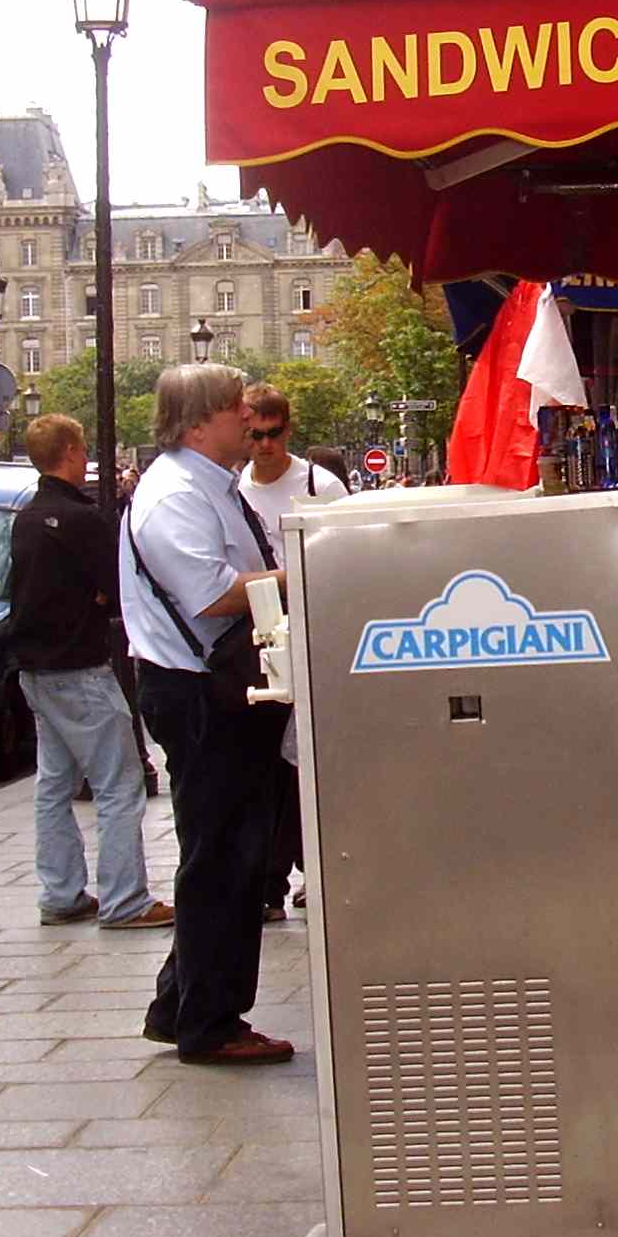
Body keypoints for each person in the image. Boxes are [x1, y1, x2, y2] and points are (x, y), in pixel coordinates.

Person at [119, 364, 295, 1065]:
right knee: (223, 859)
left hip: (218, 689)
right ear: (196, 424)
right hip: (199, 694)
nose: (247, 417)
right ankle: (211, 1024)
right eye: (233, 407)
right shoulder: (174, 495)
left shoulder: (208, 485)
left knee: (229, 851)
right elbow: (212, 594)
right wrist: (307, 568)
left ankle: (179, 1005)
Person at [7, 414, 171, 931]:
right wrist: (99, 599)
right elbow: (118, 586)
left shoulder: (27, 517)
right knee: (119, 784)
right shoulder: (82, 520)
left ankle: (61, 892)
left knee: (54, 783)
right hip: (81, 666)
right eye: (82, 450)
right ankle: (126, 898)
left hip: (35, 668)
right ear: (72, 452)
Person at [235, 385, 348, 921]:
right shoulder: (236, 489)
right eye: (254, 435)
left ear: (288, 429)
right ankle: (271, 880)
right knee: (268, 766)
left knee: (305, 761)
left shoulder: (319, 484)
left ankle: (308, 870)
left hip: (314, 627)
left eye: (273, 433)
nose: (264, 445)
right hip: (260, 635)